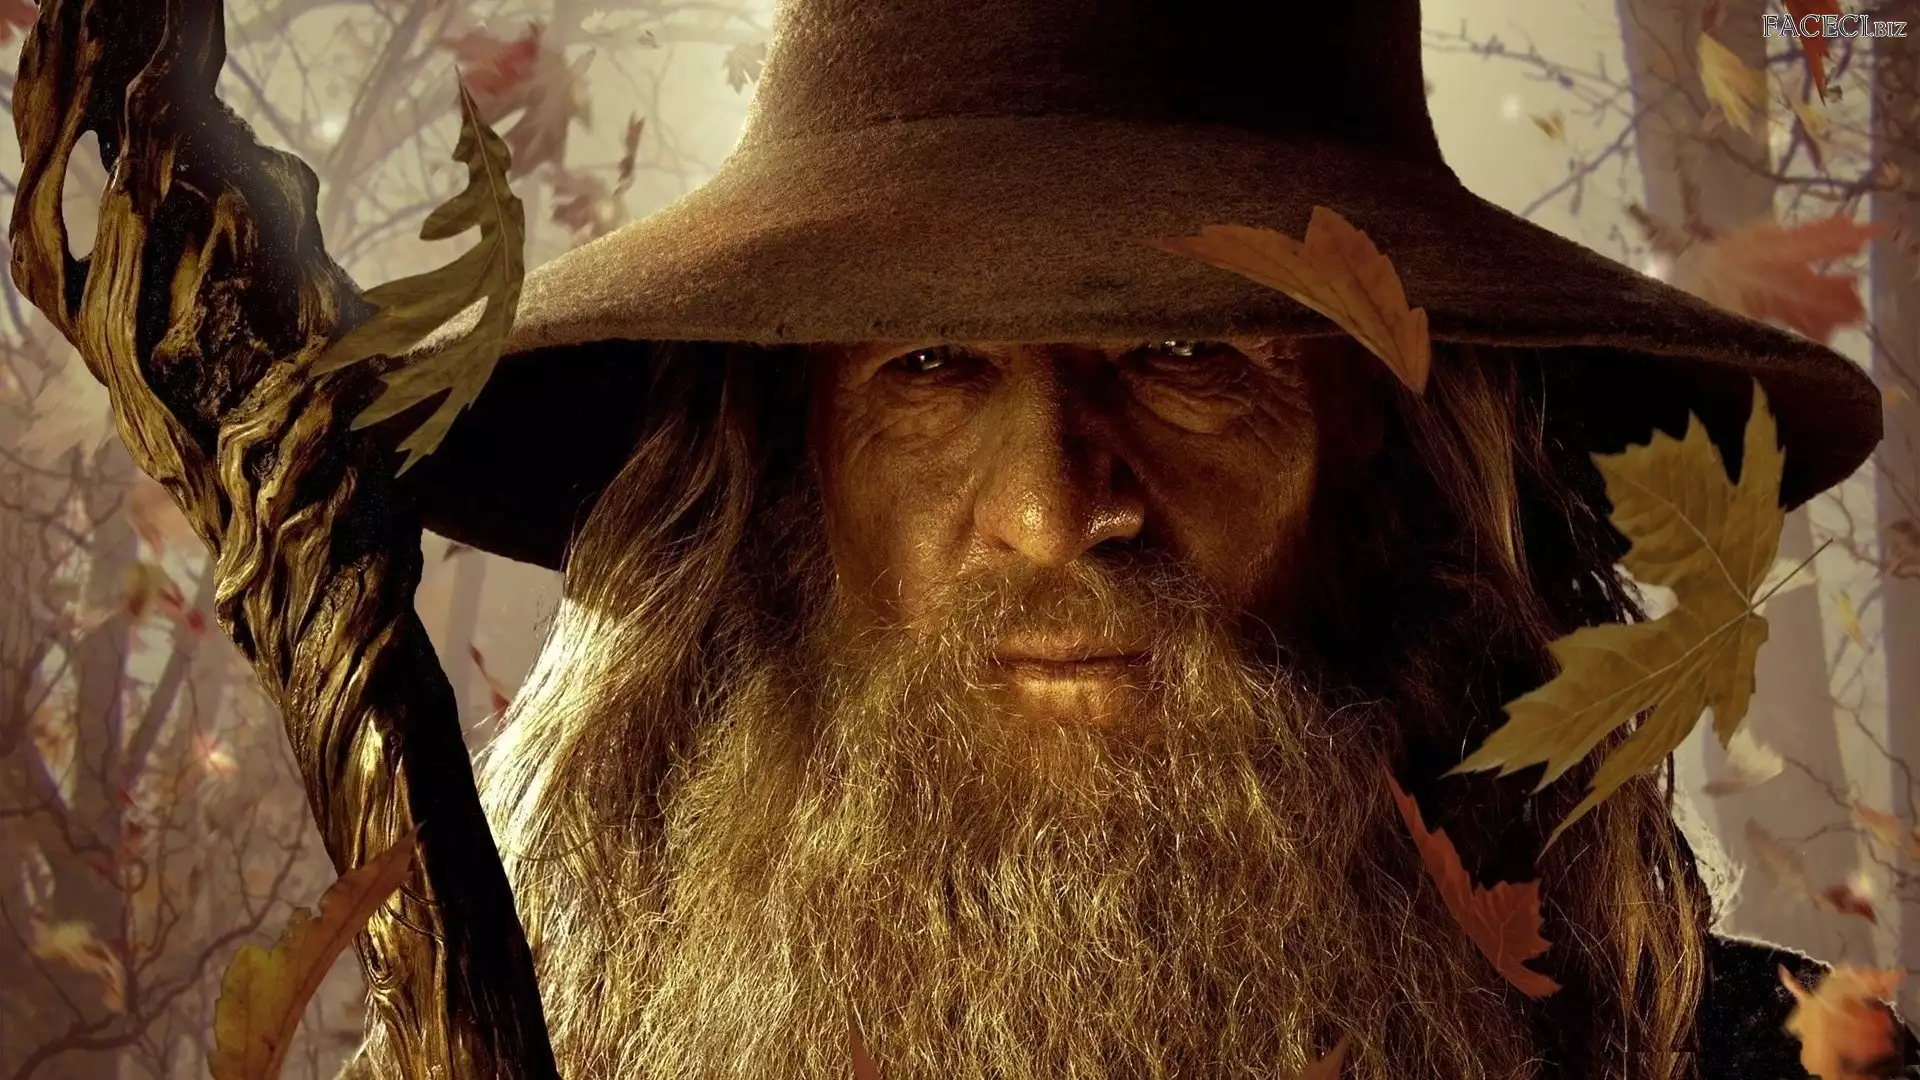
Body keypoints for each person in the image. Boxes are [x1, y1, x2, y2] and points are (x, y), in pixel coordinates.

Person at [344, 0, 1914, 1076]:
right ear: (795, 457)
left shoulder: (1759, 1066)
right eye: (931, 365)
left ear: (1379, 422)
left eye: (1183, 356)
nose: (1052, 508)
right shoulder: (538, 1051)